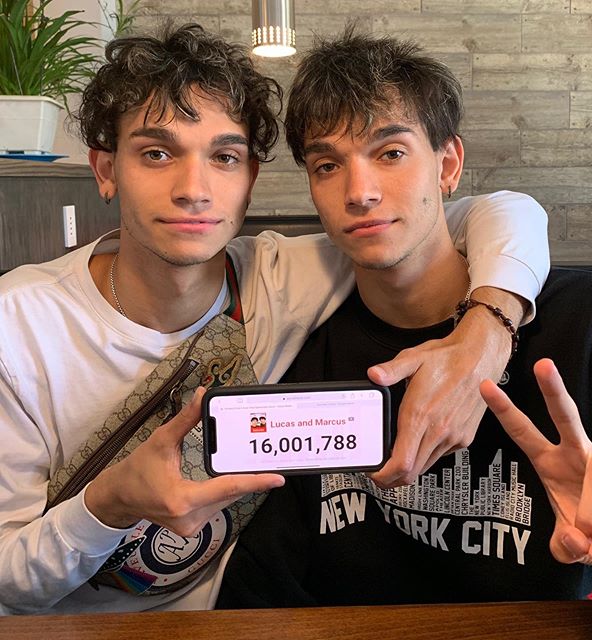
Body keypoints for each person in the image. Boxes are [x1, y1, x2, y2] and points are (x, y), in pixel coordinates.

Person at [0, 24, 549, 615]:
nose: (193, 190)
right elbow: (8, 585)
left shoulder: (284, 274)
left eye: (224, 157)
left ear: (250, 179)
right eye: (157, 153)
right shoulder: (19, 325)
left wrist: (485, 334)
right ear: (106, 170)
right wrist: (107, 504)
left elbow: (491, 212)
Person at [216, 29, 592, 607]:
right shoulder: (304, 341)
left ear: (448, 165)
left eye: (390, 153)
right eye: (327, 164)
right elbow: (265, 576)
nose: (360, 192)